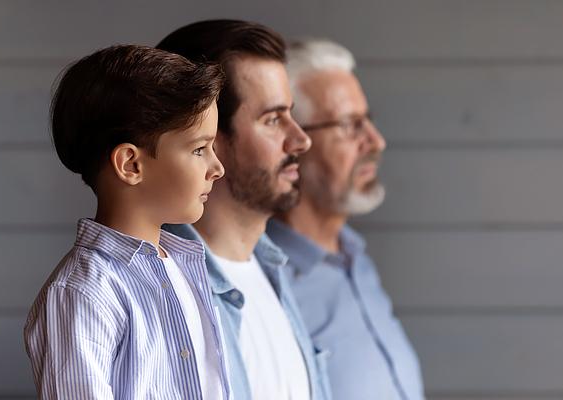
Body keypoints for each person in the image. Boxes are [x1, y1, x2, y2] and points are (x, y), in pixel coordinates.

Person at [23, 44, 232, 399]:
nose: (217, 167)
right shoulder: (83, 293)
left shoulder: (184, 267)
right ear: (130, 165)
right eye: (199, 149)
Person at [157, 20, 331, 400]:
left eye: (291, 114)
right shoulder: (162, 296)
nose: (301, 140)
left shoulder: (273, 272)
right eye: (272, 119)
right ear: (208, 136)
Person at [266, 38, 426, 400]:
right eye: (349, 125)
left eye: (368, 120)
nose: (376, 141)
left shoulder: (357, 259)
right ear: (292, 142)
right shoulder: (266, 282)